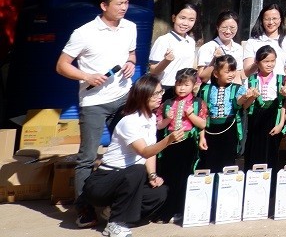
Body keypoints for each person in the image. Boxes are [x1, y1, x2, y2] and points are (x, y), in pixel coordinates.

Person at [57, 0, 138, 228]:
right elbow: (62, 65)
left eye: (126, 2)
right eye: (119, 3)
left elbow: (132, 54)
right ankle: (83, 207)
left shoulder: (130, 27)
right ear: (104, 6)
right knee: (88, 157)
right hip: (93, 103)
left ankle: (120, 201)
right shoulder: (84, 32)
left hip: (124, 97)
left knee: (128, 150)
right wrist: (87, 76)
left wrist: (131, 63)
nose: (124, 7)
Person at [80, 75, 189, 237]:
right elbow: (144, 152)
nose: (160, 96)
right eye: (156, 94)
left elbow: (151, 150)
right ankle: (115, 224)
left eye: (161, 92)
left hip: (128, 180)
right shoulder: (129, 121)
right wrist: (168, 140)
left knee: (159, 193)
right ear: (143, 96)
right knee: (137, 170)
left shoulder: (151, 118)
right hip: (103, 182)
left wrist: (152, 175)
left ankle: (113, 212)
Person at [154, 68, 203, 223]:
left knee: (184, 178)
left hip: (188, 144)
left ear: (193, 86)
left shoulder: (197, 103)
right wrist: (168, 120)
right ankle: (165, 211)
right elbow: (159, 126)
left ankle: (181, 210)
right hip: (169, 144)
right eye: (179, 84)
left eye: (186, 85)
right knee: (168, 177)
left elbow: (203, 123)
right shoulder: (167, 103)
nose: (182, 88)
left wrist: (190, 115)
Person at [197, 55, 253, 172]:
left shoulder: (238, 88)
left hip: (229, 129)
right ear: (216, 74)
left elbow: (242, 106)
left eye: (233, 70)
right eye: (227, 71)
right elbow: (202, 115)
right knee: (208, 161)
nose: (231, 74)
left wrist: (248, 97)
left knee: (227, 162)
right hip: (210, 129)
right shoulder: (206, 89)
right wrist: (202, 137)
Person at [242, 45, 286, 169]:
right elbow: (245, 106)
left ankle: (270, 185)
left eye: (272, 61)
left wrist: (280, 124)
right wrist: (252, 97)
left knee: (271, 153)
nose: (270, 64)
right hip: (255, 120)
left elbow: (284, 103)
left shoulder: (280, 79)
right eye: (266, 61)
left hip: (273, 118)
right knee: (254, 151)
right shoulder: (251, 80)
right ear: (257, 62)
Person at [147, 2, 197, 99]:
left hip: (185, 90)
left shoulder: (191, 42)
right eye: (182, 18)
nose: (186, 23)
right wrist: (166, 60)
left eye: (191, 20)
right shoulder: (163, 40)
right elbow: (153, 70)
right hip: (166, 89)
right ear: (174, 18)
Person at [242, 4, 286, 77]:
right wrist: (260, 60)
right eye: (267, 19)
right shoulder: (253, 42)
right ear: (262, 20)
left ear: (280, 20)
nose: (271, 22)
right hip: (257, 85)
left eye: (274, 18)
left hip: (280, 84)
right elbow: (247, 72)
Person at [196, 11, 244, 83]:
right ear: (217, 27)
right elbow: (202, 78)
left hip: (231, 91)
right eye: (224, 27)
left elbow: (237, 75)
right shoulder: (207, 47)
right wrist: (214, 60)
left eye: (232, 28)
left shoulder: (239, 48)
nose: (228, 31)